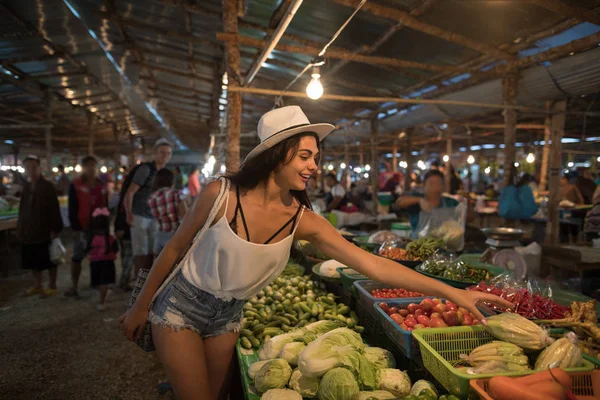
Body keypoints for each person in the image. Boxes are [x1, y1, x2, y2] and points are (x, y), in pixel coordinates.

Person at [120, 106, 510, 400]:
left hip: (229, 315)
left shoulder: (303, 220)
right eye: (305, 156)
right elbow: (173, 248)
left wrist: (456, 293)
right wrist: (140, 306)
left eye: (316, 158)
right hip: (180, 308)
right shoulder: (220, 194)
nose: (314, 166)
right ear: (277, 153)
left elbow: (373, 264)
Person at [124, 138, 173, 275]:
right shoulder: (146, 169)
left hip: (154, 217)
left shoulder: (164, 173)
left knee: (152, 251)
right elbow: (130, 192)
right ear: (155, 153)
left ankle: (146, 281)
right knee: (141, 252)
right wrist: (129, 214)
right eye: (162, 152)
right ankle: (139, 282)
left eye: (168, 153)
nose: (165, 156)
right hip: (139, 215)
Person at [16, 155, 63, 296]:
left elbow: (54, 208)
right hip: (29, 230)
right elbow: (22, 208)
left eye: (33, 167)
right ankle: (37, 285)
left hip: (44, 229)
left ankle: (52, 285)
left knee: (49, 260)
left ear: (39, 168)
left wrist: (56, 229)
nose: (31, 170)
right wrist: (21, 226)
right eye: (28, 167)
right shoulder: (26, 187)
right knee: (32, 260)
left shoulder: (47, 186)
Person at [67, 156, 107, 297]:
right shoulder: (76, 184)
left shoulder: (101, 185)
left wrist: (105, 226)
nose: (91, 169)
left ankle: (95, 283)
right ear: (83, 167)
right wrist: (75, 227)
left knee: (96, 256)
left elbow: (105, 205)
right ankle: (74, 286)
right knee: (77, 256)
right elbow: (72, 207)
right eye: (88, 166)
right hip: (81, 226)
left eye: (93, 166)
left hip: (97, 227)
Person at [396, 169, 471, 232]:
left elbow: (469, 217)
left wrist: (467, 204)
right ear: (424, 186)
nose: (435, 186)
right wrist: (419, 200)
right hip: (419, 246)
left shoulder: (450, 202)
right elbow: (399, 202)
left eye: (439, 183)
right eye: (431, 183)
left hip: (446, 245)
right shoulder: (416, 199)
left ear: (443, 186)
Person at [148, 169, 188, 256]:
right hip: (175, 236)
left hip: (160, 237)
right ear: (171, 180)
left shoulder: (152, 198)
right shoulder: (177, 194)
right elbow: (186, 217)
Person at [86, 207, 118, 311]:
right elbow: (116, 250)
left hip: (94, 263)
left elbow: (86, 250)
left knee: (98, 282)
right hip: (107, 262)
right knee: (105, 282)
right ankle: (101, 301)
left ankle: (102, 294)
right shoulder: (111, 239)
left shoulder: (90, 238)